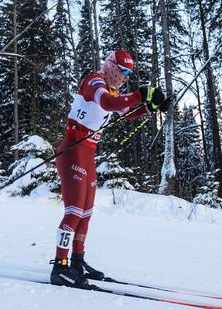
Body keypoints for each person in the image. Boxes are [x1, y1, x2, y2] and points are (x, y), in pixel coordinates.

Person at [50, 50, 168, 289]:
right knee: (73, 213)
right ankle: (59, 267)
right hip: (72, 150)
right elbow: (108, 103)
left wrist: (151, 108)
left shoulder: (113, 91)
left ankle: (77, 261)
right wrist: (140, 94)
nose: (125, 77)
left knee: (85, 214)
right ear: (111, 66)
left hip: (87, 155)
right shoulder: (94, 81)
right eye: (123, 71)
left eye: (129, 75)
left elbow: (124, 112)